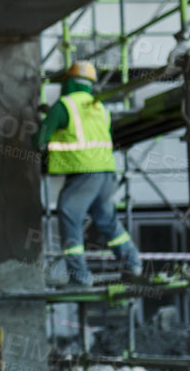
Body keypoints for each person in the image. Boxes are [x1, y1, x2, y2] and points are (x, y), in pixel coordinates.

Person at [34, 60, 143, 286]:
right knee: (106, 219)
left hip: (84, 173)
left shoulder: (63, 105)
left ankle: (79, 275)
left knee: (68, 214)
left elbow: (39, 140)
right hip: (106, 173)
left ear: (68, 82)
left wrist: (48, 121)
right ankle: (132, 262)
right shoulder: (100, 108)